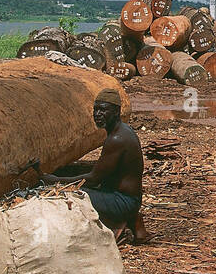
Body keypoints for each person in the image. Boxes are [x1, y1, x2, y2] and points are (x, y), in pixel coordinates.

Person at [39, 87, 147, 242]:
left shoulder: (117, 139)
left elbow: (93, 178)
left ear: (116, 111)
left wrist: (55, 181)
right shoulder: (122, 131)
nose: (97, 114)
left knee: (68, 196)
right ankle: (131, 220)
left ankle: (119, 222)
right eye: (95, 110)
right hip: (127, 199)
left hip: (124, 202)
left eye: (103, 110)